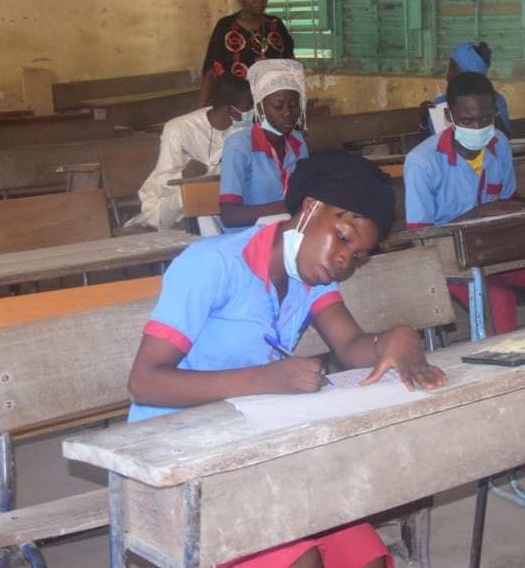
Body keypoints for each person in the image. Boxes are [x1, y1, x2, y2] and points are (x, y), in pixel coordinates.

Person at [127, 150, 447, 568]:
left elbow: (349, 345)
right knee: (304, 561)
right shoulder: (214, 264)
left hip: (252, 447)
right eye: (344, 238)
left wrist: (395, 338)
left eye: (356, 257)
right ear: (311, 209)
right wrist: (268, 379)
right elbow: (144, 383)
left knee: (365, 558)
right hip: (175, 460)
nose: (343, 262)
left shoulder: (307, 277)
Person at [404, 71, 525, 334]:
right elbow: (421, 239)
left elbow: (506, 203)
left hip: (498, 251)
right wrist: (481, 212)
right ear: (449, 117)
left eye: (485, 119)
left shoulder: (499, 145)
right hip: (448, 259)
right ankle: (510, 366)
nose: (477, 128)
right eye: (467, 120)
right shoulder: (422, 162)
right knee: (498, 300)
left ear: (495, 112)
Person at [125, 74, 255, 232]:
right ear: (229, 109)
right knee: (199, 198)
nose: (253, 111)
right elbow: (158, 185)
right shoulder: (179, 129)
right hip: (173, 203)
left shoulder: (247, 130)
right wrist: (184, 176)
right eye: (248, 106)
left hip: (221, 202)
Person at [219, 59, 308, 230]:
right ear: (259, 108)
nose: (287, 113)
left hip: (287, 232)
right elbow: (229, 215)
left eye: (294, 105)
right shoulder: (239, 146)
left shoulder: (297, 141)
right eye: (278, 106)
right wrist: (286, 207)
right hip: (247, 239)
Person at [199, 0, 294, 106]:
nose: (260, 0)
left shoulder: (275, 25)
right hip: (234, 107)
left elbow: (290, 66)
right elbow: (211, 73)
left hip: (273, 106)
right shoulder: (225, 27)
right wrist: (200, 115)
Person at [420, 42, 511, 136]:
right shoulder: (439, 104)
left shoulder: (497, 101)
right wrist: (424, 122)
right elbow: (429, 144)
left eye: (454, 71)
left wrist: (494, 109)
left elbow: (505, 137)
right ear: (448, 114)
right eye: (449, 69)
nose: (448, 76)